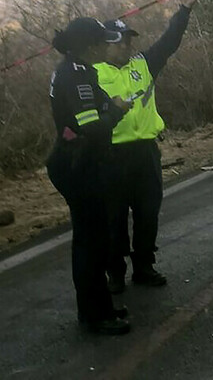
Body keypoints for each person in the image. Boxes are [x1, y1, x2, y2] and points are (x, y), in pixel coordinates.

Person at [94, 0, 198, 293]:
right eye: (120, 42)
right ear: (104, 45)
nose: (126, 46)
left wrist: (185, 10)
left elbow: (168, 43)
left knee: (147, 212)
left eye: (129, 41)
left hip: (145, 153)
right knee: (113, 217)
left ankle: (144, 266)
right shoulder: (92, 74)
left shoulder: (142, 64)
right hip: (110, 155)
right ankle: (115, 273)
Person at [46, 17, 132, 335]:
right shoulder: (76, 74)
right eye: (101, 41)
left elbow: (97, 104)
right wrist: (118, 111)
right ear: (90, 44)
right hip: (79, 164)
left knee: (91, 240)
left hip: (76, 161)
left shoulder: (73, 69)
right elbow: (92, 126)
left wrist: (111, 104)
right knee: (91, 243)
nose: (103, 46)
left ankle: (98, 307)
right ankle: (96, 315)